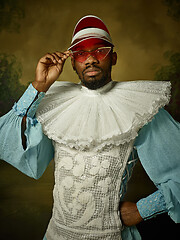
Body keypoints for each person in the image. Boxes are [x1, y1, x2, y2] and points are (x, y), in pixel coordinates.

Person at [0, 15, 180, 240]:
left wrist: (142, 210)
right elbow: (11, 146)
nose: (90, 59)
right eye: (81, 53)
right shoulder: (54, 102)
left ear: (113, 58)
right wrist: (39, 86)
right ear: (73, 62)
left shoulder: (141, 107)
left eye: (99, 50)